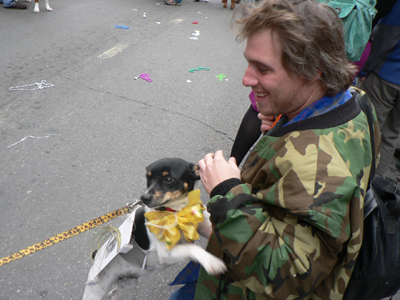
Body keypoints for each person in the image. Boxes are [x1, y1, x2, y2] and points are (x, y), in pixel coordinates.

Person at [196, 0, 380, 299]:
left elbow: (284, 274)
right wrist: (288, 122)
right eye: (248, 62)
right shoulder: (355, 100)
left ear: (313, 71)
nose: (246, 79)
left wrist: (227, 191)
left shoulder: (316, 163)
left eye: (263, 69)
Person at [357, 0, 400, 179]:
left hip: (386, 76)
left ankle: (355, 181)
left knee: (365, 129)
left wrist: (366, 68)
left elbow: (388, 36)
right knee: (390, 136)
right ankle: (377, 190)